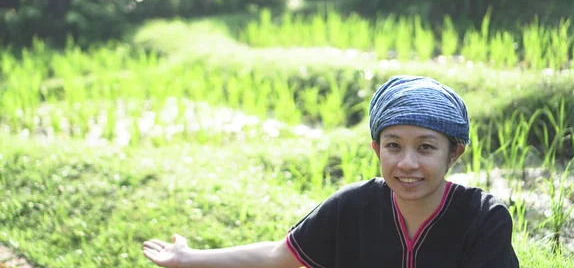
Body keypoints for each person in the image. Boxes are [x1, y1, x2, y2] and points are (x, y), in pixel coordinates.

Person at [143, 75, 520, 268]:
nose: (407, 163)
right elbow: (279, 257)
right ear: (376, 149)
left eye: (425, 147)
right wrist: (187, 258)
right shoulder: (353, 207)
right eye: (393, 146)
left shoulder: (484, 219)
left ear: (454, 153)